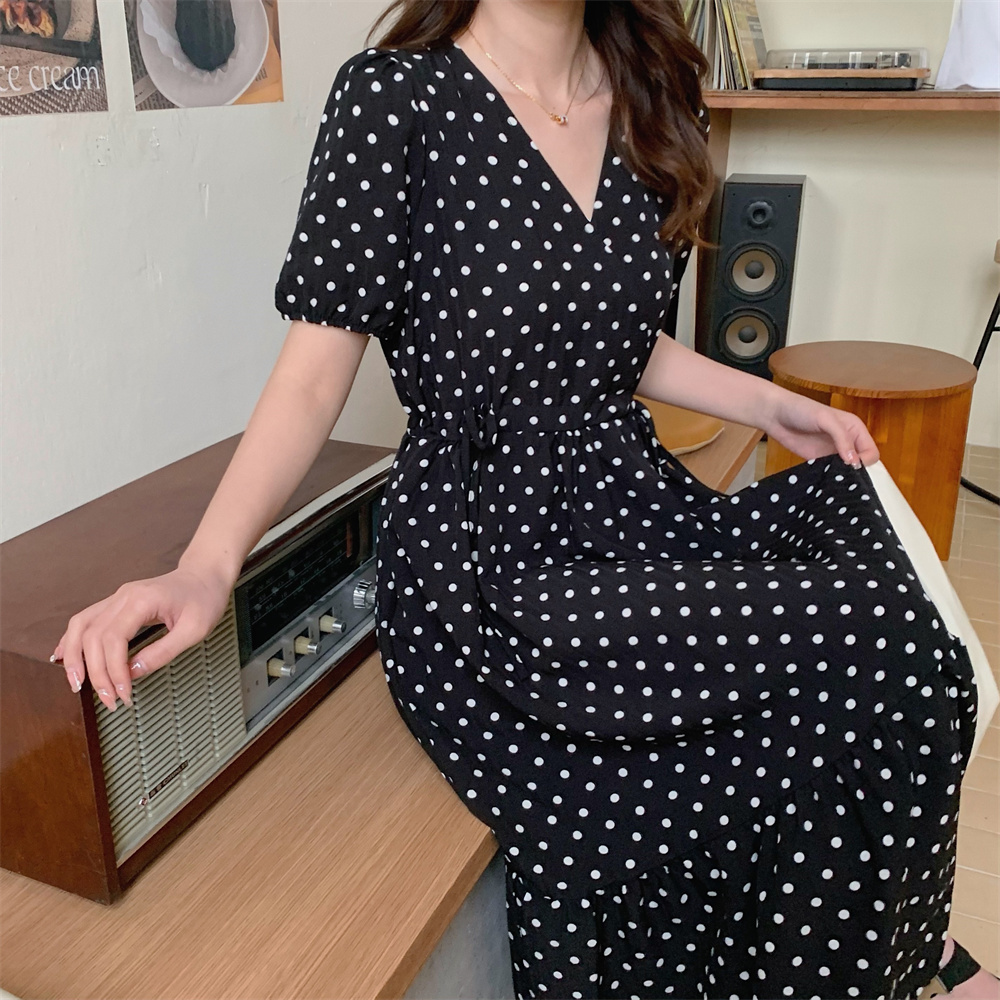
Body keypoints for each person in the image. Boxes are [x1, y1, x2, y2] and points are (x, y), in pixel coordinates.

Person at [50, 1, 997, 997]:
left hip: (626, 495)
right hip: (490, 555)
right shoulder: (393, 99)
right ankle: (899, 953)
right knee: (878, 639)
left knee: (861, 530)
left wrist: (768, 403)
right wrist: (207, 565)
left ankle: (891, 934)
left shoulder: (651, 91)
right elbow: (311, 377)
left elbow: (613, 336)